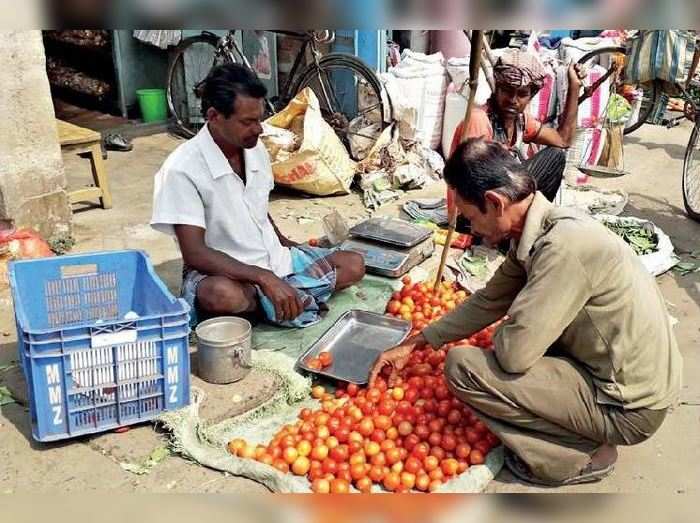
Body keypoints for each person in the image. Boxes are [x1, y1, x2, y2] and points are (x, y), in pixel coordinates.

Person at [370, 138, 682, 486]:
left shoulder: (563, 248)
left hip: (629, 408)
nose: (472, 230)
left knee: (462, 367)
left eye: (471, 217)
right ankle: (578, 426)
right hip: (626, 380)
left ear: (495, 202)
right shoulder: (543, 228)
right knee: (516, 342)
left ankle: (574, 456)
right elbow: (490, 299)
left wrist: (516, 322)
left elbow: (515, 355)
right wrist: (416, 343)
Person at [151, 63, 365, 327]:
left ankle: (277, 301)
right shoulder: (182, 169)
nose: (259, 129)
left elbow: (257, 206)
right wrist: (263, 278)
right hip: (227, 274)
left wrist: (286, 243)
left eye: (259, 119)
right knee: (219, 295)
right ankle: (282, 299)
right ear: (214, 116)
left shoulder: (255, 149)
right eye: (247, 122)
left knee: (354, 264)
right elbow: (195, 253)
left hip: (275, 261)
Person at [450, 49, 584, 202]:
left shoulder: (521, 121)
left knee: (555, 155)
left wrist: (574, 87)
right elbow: (476, 183)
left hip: (500, 200)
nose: (513, 100)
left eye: (521, 94)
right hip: (477, 208)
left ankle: (531, 218)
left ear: (530, 96)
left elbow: (562, 140)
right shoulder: (479, 120)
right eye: (507, 90)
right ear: (497, 88)